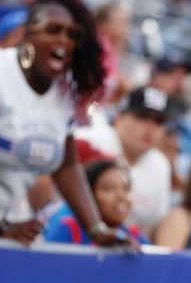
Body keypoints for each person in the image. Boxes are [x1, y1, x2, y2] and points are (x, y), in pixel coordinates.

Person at [0, 0, 130, 248]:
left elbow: (67, 165)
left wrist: (96, 228)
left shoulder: (66, 91)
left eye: (73, 34)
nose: (64, 39)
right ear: (28, 34)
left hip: (11, 223)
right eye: (53, 29)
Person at [74, 86, 175, 236]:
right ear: (119, 118)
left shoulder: (160, 165)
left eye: (158, 121)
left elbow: (150, 227)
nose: (150, 127)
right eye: (142, 117)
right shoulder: (88, 141)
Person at [42, 159, 147, 244]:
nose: (121, 196)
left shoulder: (133, 235)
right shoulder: (69, 228)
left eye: (126, 189)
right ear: (87, 196)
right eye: (108, 188)